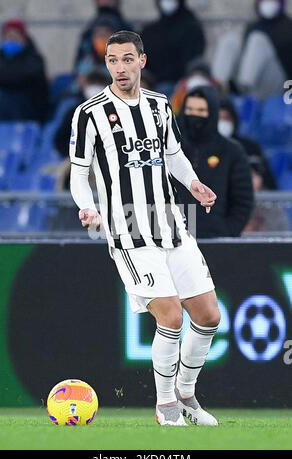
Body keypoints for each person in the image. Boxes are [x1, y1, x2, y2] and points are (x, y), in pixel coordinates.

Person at [70, 31, 220, 426]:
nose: (119, 68)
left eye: (126, 59)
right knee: (170, 316)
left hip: (171, 223)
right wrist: (87, 207)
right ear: (107, 65)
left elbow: (172, 155)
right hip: (129, 230)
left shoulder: (159, 106)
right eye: (112, 61)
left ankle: (187, 393)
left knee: (208, 315)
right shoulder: (89, 113)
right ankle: (165, 405)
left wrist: (193, 184)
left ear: (142, 61)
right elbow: (79, 175)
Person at [174, 86, 254, 238]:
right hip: (172, 238)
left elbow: (243, 201)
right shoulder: (170, 148)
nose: (194, 115)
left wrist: (226, 232)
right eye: (189, 109)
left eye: (201, 111)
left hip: (215, 241)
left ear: (212, 113)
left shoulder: (232, 151)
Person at [211, 0, 292, 99]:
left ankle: (244, 86)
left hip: (278, 84)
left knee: (257, 39)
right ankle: (217, 85)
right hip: (250, 82)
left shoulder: (288, 27)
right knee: (230, 40)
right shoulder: (254, 26)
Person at [141, 0, 206, 96]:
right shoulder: (150, 31)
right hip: (153, 84)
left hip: (182, 84)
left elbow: (194, 61)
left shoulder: (192, 28)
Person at [0, 18, 48, 123]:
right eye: (8, 37)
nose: (11, 41)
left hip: (27, 109)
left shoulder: (34, 60)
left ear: (24, 38)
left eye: (15, 37)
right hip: (4, 108)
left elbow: (17, 78)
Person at [218, 97, 277, 190]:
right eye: (218, 119)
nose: (222, 123)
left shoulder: (250, 147)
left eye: (226, 118)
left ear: (234, 120)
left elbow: (268, 183)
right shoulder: (203, 147)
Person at [75, 0, 133, 69]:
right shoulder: (88, 31)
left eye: (106, 34)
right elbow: (79, 67)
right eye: (99, 34)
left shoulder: (126, 29)